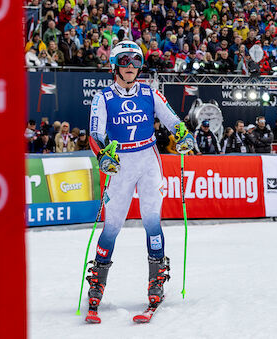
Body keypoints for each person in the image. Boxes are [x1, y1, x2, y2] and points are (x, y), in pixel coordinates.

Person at [86, 41, 195, 323]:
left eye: (136, 61)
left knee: (151, 219)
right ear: (114, 65)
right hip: (120, 164)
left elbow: (172, 120)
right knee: (112, 225)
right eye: (125, 61)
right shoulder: (103, 97)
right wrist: (103, 156)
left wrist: (184, 135)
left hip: (148, 160)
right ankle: (97, 282)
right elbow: (95, 133)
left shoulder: (149, 91)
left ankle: (156, 279)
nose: (131, 66)